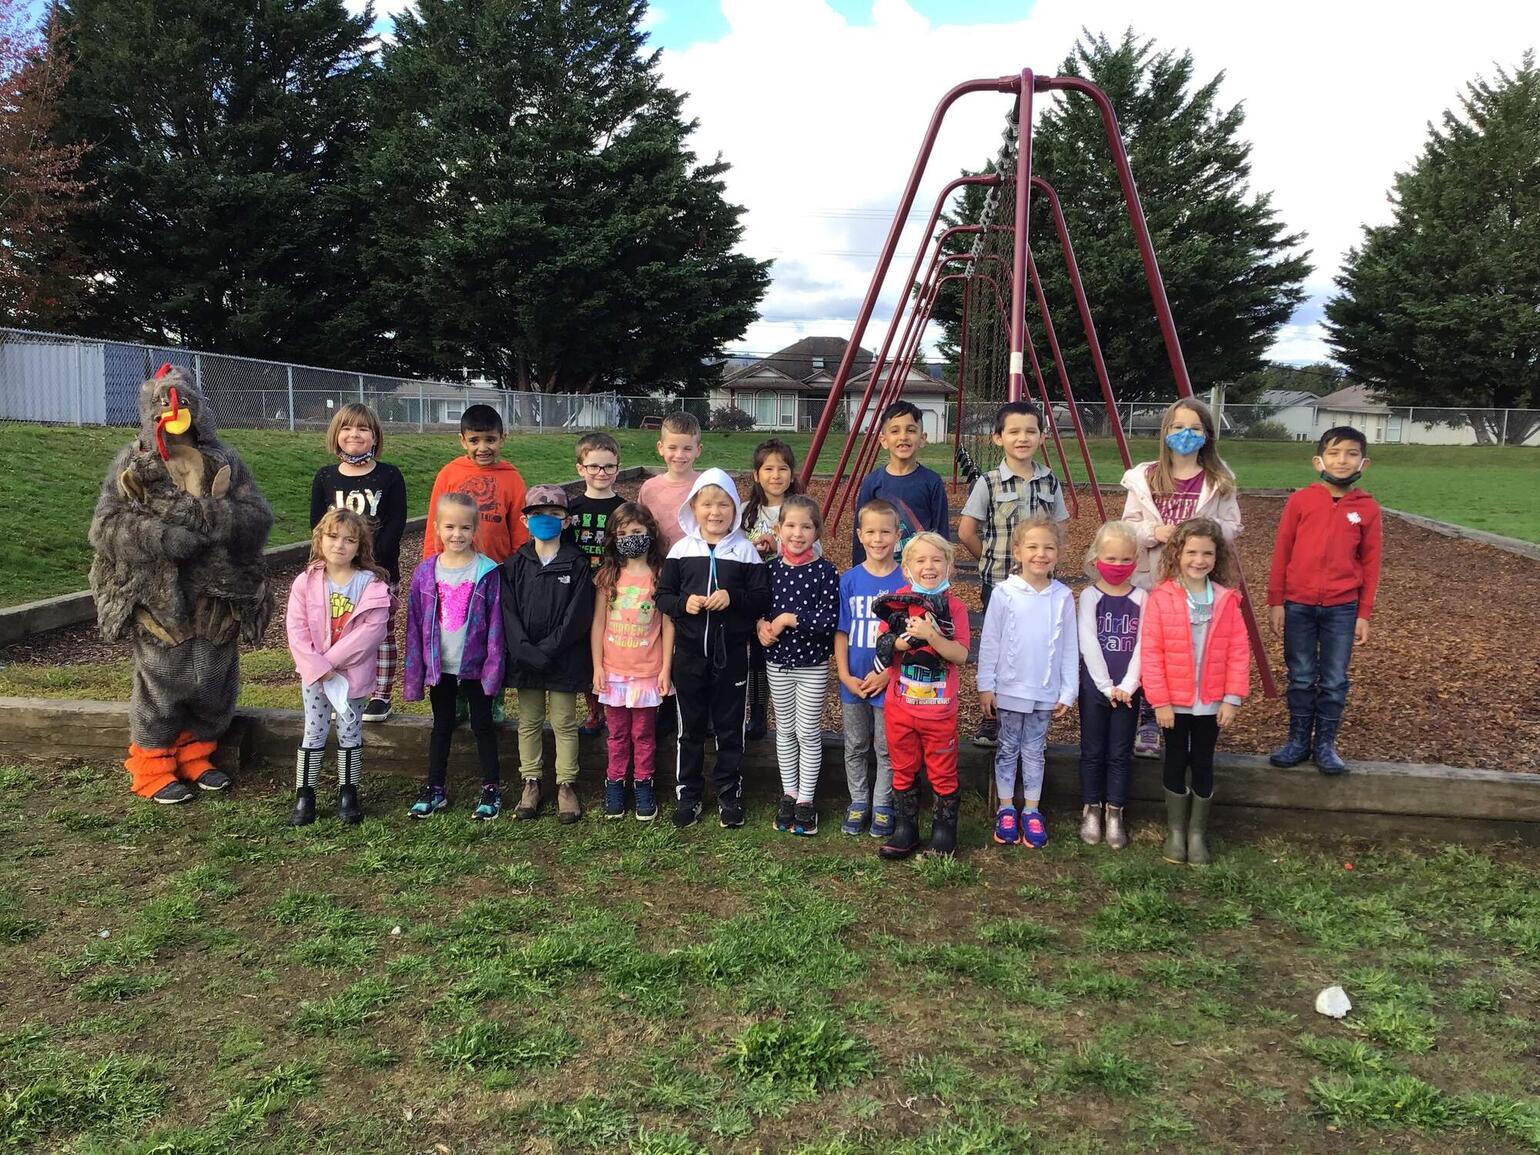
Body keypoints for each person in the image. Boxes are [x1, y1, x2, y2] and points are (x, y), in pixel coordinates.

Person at [1119, 398, 1241, 759]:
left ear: (1207, 435)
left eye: (1194, 428)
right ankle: (1149, 718)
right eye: (1178, 427)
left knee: (1190, 647)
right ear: (1165, 432)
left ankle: (1191, 714)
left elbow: (1233, 526)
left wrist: (1202, 530)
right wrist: (1155, 532)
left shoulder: (1219, 480)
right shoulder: (1145, 478)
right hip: (1153, 578)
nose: (1185, 434)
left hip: (1197, 581)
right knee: (1152, 648)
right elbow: (1128, 525)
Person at [656, 467, 771, 829]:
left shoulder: (745, 551)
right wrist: (683, 604)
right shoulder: (680, 550)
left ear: (734, 508)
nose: (715, 512)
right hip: (689, 657)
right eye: (707, 504)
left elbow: (761, 598)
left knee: (729, 726)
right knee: (689, 728)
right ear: (694, 507)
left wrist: (733, 597)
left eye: (723, 504)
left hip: (731, 656)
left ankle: (728, 794)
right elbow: (663, 596)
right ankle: (688, 795)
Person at [1266, 426, 1382, 775]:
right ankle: (1298, 741)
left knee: (1333, 679)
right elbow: (1282, 552)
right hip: (1298, 604)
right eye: (1334, 453)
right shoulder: (1301, 501)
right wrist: (1276, 601)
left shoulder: (1367, 508)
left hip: (1342, 608)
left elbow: (1371, 563)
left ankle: (1325, 745)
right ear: (1319, 460)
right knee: (1301, 675)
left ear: (1363, 462)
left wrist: (1364, 613)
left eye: (1351, 454)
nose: (1342, 460)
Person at [1138, 517, 1251, 867]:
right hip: (1174, 703)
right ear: (1177, 553)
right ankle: (1176, 832)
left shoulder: (1226, 600)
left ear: (1217, 558)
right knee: (1175, 758)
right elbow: (1151, 653)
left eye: (1207, 554)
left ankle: (1197, 834)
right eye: (1192, 552)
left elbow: (1238, 651)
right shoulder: (1162, 598)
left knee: (1203, 760)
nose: (1199, 560)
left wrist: (1232, 698)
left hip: (1211, 702)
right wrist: (1160, 701)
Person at [958, 400, 1069, 747]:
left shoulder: (1049, 481)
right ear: (998, 438)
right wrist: (987, 560)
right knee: (1000, 644)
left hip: (1040, 585)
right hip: (1000, 583)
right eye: (1014, 432)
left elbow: (1060, 527)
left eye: (1031, 431)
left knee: (1034, 643)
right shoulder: (989, 483)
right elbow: (966, 531)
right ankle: (992, 714)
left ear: (1042, 437)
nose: (1023, 438)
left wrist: (1048, 561)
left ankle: (1031, 704)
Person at [975, 515, 1078, 849]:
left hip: (1044, 692)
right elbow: (990, 642)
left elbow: (1069, 646)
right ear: (1017, 551)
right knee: (1007, 748)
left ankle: (1031, 810)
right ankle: (1006, 808)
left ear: (1058, 553)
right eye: (1032, 547)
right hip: (1008, 689)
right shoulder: (1004, 593)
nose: (1040, 554)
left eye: (1049, 547)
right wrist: (986, 685)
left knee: (1034, 751)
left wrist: (1068, 690)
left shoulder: (1062, 597)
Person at [285, 509, 392, 826]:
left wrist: (329, 663)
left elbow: (372, 631)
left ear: (360, 546)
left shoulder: (371, 585)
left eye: (349, 540)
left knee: (350, 731)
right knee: (314, 730)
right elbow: (296, 630)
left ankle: (349, 793)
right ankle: (305, 794)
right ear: (320, 539)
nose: (340, 545)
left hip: (352, 675)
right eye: (333, 537)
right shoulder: (305, 582)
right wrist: (317, 667)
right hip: (315, 677)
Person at [402, 493, 505, 820]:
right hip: (440, 666)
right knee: (442, 725)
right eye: (449, 527)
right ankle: (435, 788)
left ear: (475, 529)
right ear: (436, 527)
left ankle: (491, 788)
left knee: (482, 725)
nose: (456, 534)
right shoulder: (425, 573)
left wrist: (493, 669)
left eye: (464, 527)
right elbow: (414, 624)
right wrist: (415, 673)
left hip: (476, 666)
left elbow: (496, 625)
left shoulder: (487, 572)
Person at [873, 532, 971, 860]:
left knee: (942, 770)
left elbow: (960, 655)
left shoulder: (954, 608)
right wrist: (904, 640)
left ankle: (944, 832)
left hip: (938, 711)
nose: (929, 566)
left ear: (949, 566)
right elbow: (885, 644)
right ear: (907, 569)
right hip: (900, 708)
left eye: (937, 560)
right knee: (902, 767)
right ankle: (906, 828)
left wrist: (931, 635)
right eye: (921, 560)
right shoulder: (896, 603)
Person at [501, 485, 595, 824]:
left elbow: (578, 615)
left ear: (566, 521)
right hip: (525, 658)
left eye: (554, 514)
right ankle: (531, 781)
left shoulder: (578, 563)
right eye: (538, 515)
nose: (546, 520)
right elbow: (507, 612)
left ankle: (566, 784)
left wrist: (549, 649)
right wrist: (525, 649)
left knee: (564, 722)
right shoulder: (514, 565)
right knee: (528, 721)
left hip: (563, 658)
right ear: (525, 521)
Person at [309, 403, 406, 724]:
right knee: (339, 633)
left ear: (375, 436)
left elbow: (395, 523)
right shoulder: (325, 477)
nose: (354, 434)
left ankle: (381, 695)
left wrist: (370, 565)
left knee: (380, 633)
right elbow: (318, 526)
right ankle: (342, 690)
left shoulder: (389, 476)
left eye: (363, 429)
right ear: (336, 435)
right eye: (347, 428)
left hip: (378, 572)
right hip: (338, 573)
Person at [757, 495, 840, 837]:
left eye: (806, 527)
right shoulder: (770, 571)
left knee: (807, 731)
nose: (797, 533)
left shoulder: (825, 572)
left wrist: (789, 619)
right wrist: (761, 625)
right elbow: (759, 608)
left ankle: (807, 799)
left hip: (811, 664)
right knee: (786, 730)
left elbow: (829, 620)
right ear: (778, 530)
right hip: (778, 662)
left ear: (817, 532)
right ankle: (789, 793)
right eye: (790, 525)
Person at [590, 503, 673, 821]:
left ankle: (643, 783)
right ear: (614, 538)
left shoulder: (660, 575)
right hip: (613, 672)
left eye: (637, 532)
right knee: (617, 734)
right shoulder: (608, 576)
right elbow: (598, 623)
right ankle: (614, 783)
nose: (630, 539)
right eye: (622, 533)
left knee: (643, 734)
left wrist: (665, 668)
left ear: (650, 533)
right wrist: (598, 666)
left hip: (647, 672)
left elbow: (667, 624)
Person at [1076, 520, 1147, 850]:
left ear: (1136, 561)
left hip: (1129, 691)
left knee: (1120, 752)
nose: (1118, 565)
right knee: (1092, 750)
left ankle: (1115, 810)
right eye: (1111, 558)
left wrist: (1129, 685)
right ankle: (1091, 808)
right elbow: (1088, 641)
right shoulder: (1090, 597)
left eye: (1125, 559)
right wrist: (1106, 686)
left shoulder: (1143, 598)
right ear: (1096, 559)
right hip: (1095, 688)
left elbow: (1145, 644)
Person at [835, 500, 904, 838]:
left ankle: (882, 804)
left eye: (885, 532)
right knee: (856, 745)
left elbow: (909, 638)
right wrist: (844, 675)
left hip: (889, 680)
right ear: (860, 535)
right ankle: (859, 800)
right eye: (871, 532)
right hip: (854, 680)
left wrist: (890, 673)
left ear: (898, 535)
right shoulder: (849, 580)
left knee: (886, 747)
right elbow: (841, 632)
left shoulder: (905, 581)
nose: (878, 539)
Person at [740, 438, 807, 740]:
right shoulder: (746, 511)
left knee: (779, 654)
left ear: (792, 474)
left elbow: (814, 548)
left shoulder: (800, 509)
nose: (776, 475)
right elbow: (734, 547)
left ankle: (789, 718)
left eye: (782, 468)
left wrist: (778, 546)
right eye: (768, 469)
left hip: (787, 592)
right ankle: (756, 713)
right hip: (754, 591)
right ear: (756, 475)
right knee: (754, 656)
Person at [567, 431, 625, 739]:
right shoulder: (571, 510)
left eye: (608, 466)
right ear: (581, 468)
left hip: (615, 590)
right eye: (593, 466)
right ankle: (593, 710)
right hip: (580, 592)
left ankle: (615, 708)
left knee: (613, 648)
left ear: (617, 467)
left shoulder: (623, 509)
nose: (601, 472)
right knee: (584, 651)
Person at [423, 403, 529, 563]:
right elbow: (434, 524)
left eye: (490, 440)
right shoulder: (449, 474)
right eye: (474, 441)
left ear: (502, 439)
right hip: (453, 568)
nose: (483, 448)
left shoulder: (512, 479)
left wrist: (517, 567)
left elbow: (519, 531)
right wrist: (429, 565)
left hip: (497, 568)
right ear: (463, 441)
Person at [851, 401, 948, 565]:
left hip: (920, 570)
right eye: (895, 431)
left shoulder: (932, 482)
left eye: (911, 430)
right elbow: (860, 531)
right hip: (881, 568)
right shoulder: (872, 483)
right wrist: (859, 569)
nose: (903, 437)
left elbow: (941, 531)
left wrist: (942, 568)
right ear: (883, 440)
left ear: (922, 438)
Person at [638, 411, 703, 554]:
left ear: (698, 450)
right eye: (672, 448)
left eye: (687, 448)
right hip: (659, 563)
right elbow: (640, 528)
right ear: (660, 448)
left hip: (697, 562)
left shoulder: (706, 486)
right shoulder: (649, 488)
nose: (679, 455)